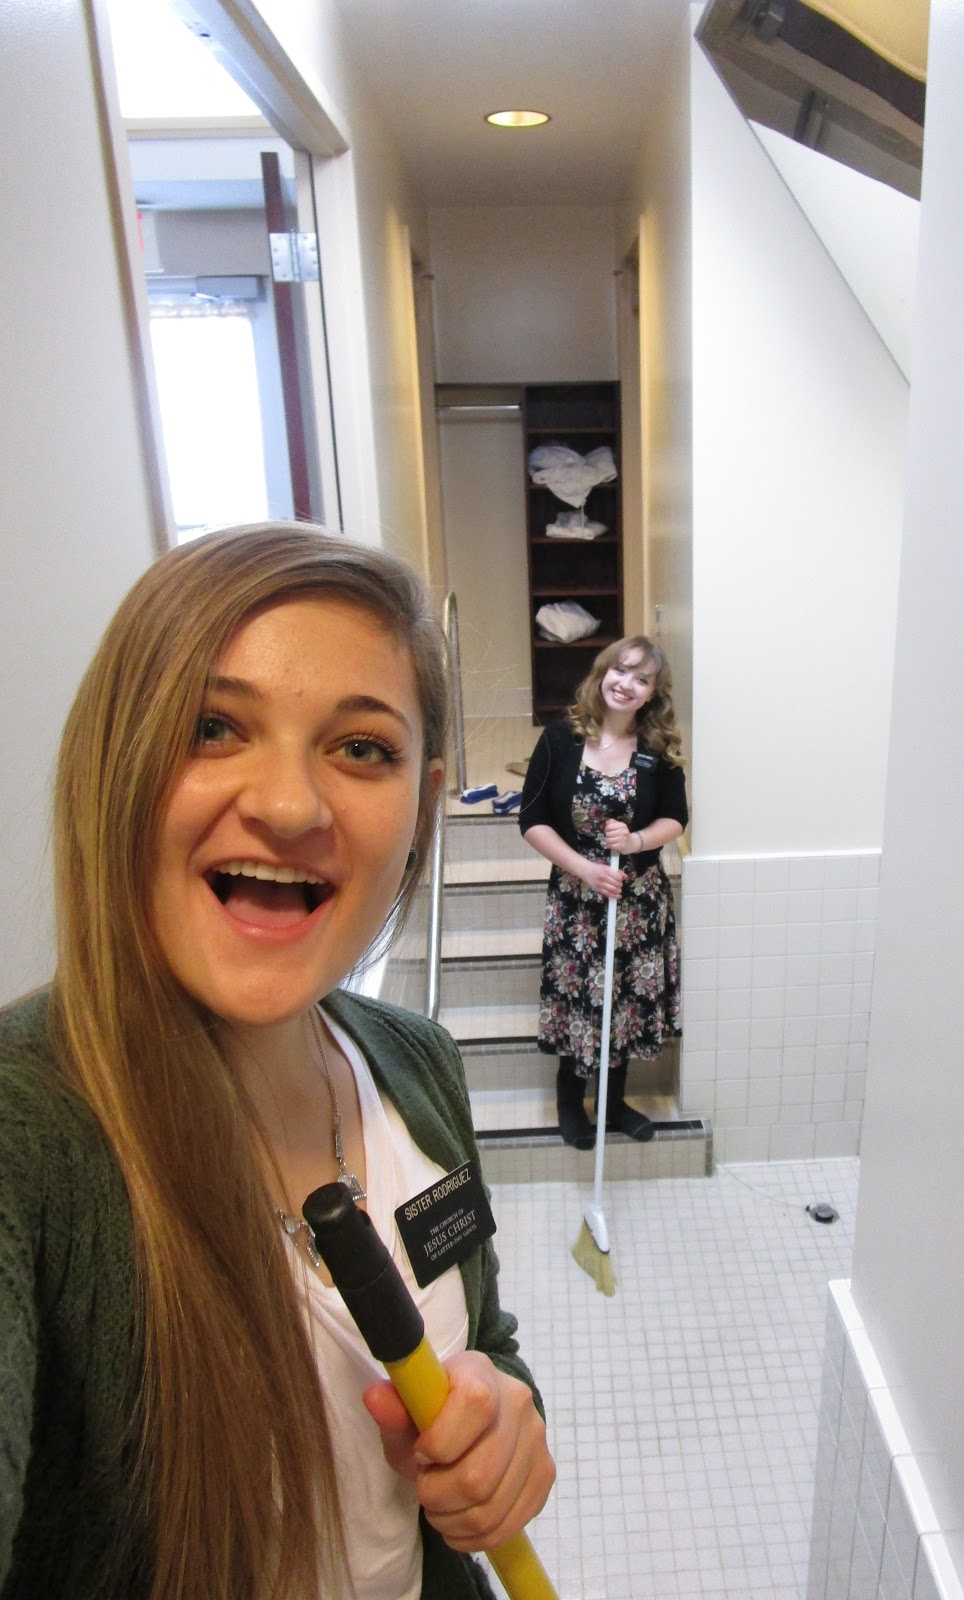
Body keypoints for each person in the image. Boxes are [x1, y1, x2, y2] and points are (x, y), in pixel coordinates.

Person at [0, 525, 554, 1600]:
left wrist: (503, 1416)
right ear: (115, 761)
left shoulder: (417, 1066)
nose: (291, 805)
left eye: (362, 748)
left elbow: (483, 1334)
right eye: (213, 728)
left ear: (424, 801)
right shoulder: (27, 1144)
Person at [519, 637, 687, 1150]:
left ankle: (614, 1105)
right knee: (579, 1000)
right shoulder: (561, 738)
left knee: (625, 1003)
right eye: (621, 670)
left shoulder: (657, 747)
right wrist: (585, 870)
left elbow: (676, 819)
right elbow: (532, 820)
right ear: (603, 672)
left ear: (652, 693)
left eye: (642, 679)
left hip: (638, 903)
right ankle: (571, 1103)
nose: (626, 684)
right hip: (577, 904)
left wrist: (635, 841)